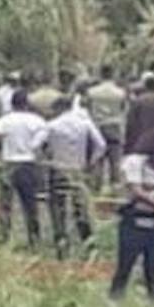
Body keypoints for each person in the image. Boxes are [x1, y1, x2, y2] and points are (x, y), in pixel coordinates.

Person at [109, 127, 154, 302]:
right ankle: (115, 300)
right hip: (134, 222)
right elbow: (136, 191)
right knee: (125, 265)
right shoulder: (134, 162)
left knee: (153, 267)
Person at [42, 97, 104, 257]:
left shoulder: (52, 125)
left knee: (58, 207)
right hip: (78, 169)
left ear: (58, 109)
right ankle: (87, 241)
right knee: (80, 206)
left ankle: (61, 242)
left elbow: (35, 144)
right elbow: (101, 145)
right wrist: (91, 162)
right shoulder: (84, 123)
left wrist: (45, 160)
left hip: (58, 168)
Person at [0, 91, 48, 248]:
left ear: (12, 104)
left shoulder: (4, 120)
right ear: (27, 104)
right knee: (30, 203)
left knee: (5, 203)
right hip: (28, 164)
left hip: (9, 164)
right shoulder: (37, 121)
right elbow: (42, 143)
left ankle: (2, 237)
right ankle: (34, 238)